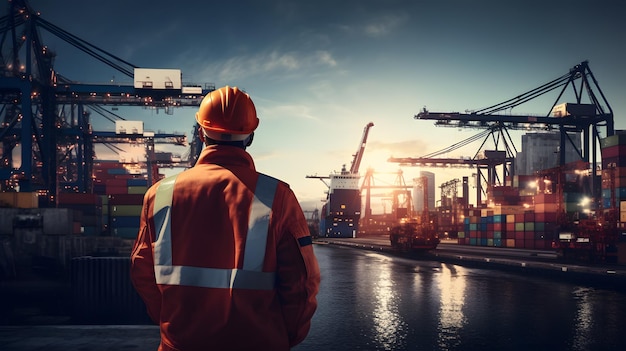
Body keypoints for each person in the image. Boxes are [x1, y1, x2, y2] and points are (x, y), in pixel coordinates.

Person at [130, 86, 320, 351]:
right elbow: (302, 283)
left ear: (201, 133)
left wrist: (175, 322)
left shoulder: (159, 195)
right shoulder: (277, 196)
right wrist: (284, 335)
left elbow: (142, 272)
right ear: (250, 136)